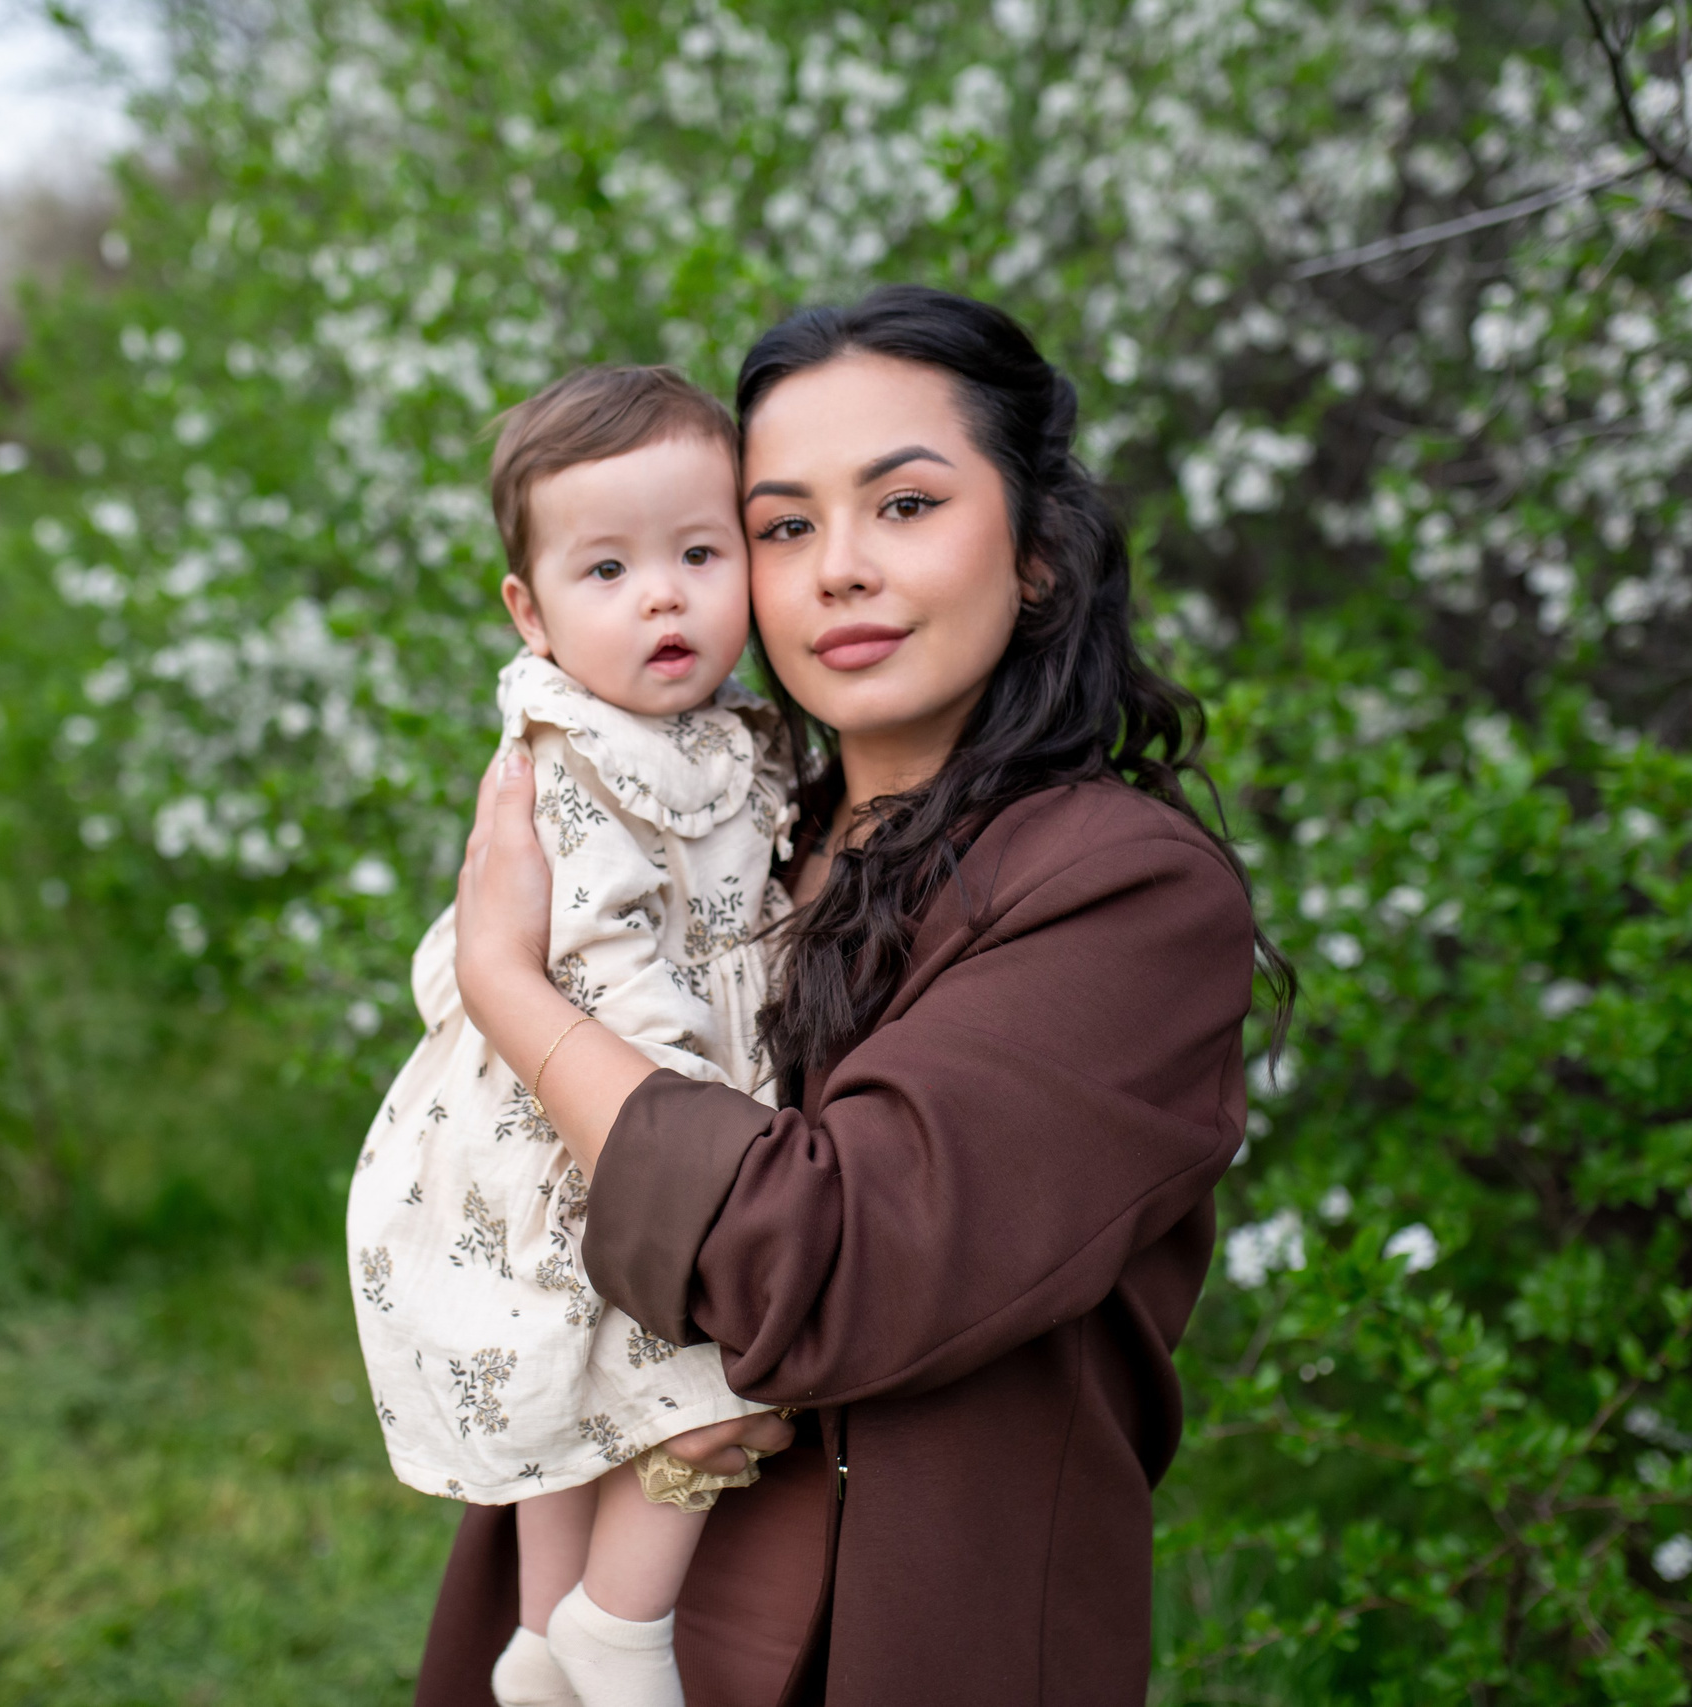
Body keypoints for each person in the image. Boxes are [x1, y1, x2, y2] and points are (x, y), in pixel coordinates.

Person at [419, 285, 1290, 1706]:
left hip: (890, 1635)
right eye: (783, 527)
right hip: (605, 1610)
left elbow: (819, 1262)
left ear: (1038, 556)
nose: (838, 571)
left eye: (904, 506)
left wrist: (509, 987)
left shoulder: (1124, 891)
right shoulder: (742, 838)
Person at [347, 366, 797, 1707]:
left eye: (698, 554)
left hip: (600, 1106)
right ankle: (616, 1622)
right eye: (608, 570)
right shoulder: (578, 761)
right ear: (531, 616)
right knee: (688, 1368)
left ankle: (542, 1643)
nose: (664, 595)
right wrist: (700, 1120)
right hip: (589, 1119)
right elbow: (595, 959)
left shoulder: (711, 738)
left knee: (571, 1383)